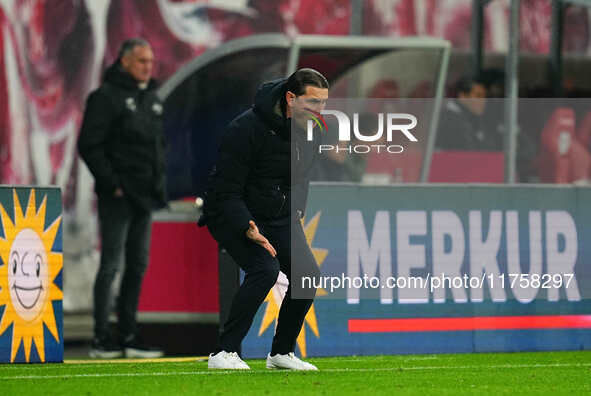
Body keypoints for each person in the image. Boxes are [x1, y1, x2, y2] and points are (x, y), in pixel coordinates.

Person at [199, 68, 327, 370]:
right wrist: (247, 226)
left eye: (323, 103)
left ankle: (281, 354)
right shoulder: (246, 128)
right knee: (264, 269)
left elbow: (302, 175)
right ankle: (223, 352)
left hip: (278, 214)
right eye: (313, 102)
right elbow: (225, 189)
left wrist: (297, 207)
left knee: (306, 275)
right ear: (291, 98)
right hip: (233, 212)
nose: (319, 110)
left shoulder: (313, 128)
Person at [78, 38, 167, 359]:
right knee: (111, 265)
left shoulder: (151, 98)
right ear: (125, 61)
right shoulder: (105, 97)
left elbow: (157, 147)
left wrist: (159, 185)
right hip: (117, 196)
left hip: (145, 197)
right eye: (142, 61)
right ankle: (102, 337)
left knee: (138, 265)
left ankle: (128, 334)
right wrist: (111, 183)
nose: (148, 67)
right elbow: (89, 144)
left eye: (150, 61)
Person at [436, 76, 502, 151]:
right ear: (462, 96)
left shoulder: (473, 118)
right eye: (478, 96)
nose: (483, 101)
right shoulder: (450, 119)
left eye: (485, 97)